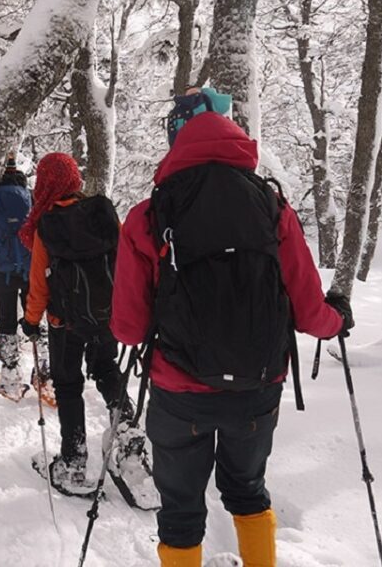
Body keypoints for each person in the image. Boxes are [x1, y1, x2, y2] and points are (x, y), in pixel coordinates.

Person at [110, 88, 354, 567]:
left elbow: (128, 329)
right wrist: (337, 319)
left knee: (180, 510)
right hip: (256, 388)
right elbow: (308, 312)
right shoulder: (273, 208)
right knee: (247, 492)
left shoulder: (149, 216)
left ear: (175, 137)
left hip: (179, 392)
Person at [19, 152, 127, 496]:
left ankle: (74, 460)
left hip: (64, 322)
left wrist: (31, 321)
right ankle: (129, 442)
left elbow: (39, 284)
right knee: (107, 369)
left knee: (68, 385)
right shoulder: (103, 213)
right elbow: (126, 264)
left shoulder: (47, 225)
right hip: (108, 316)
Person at [0, 152, 47, 399]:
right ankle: (44, 372)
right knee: (35, 317)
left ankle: (11, 376)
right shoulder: (32, 197)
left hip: (1, 271)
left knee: (6, 321)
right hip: (29, 269)